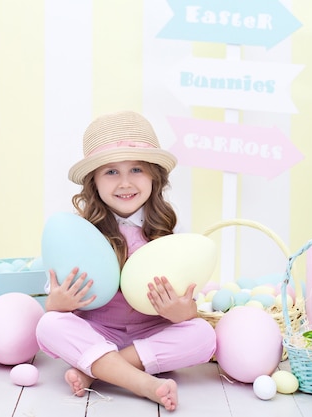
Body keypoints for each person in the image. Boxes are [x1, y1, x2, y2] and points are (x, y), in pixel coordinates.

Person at [35, 110, 216, 412]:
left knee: (203, 336)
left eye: (136, 170)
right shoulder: (80, 231)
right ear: (93, 181)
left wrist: (182, 312)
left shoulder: (171, 229)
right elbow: (53, 304)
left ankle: (100, 369)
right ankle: (143, 383)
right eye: (111, 172)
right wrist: (58, 303)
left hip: (150, 333)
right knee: (48, 325)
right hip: (97, 332)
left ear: (154, 176)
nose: (124, 183)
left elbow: (187, 305)